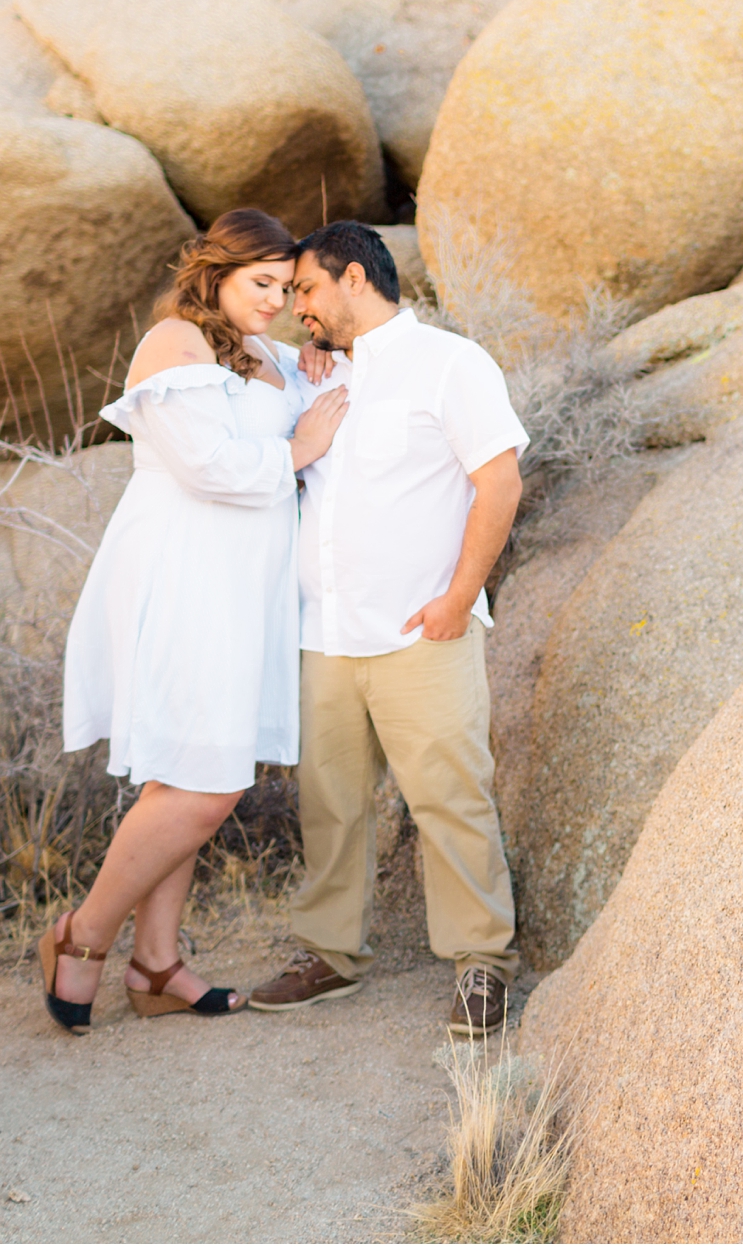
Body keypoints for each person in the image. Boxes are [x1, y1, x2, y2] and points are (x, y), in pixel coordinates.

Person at [44, 209, 348, 1034]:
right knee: (209, 785)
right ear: (216, 271)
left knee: (186, 768)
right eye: (263, 284)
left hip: (243, 584)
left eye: (289, 290)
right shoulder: (174, 343)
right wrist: (300, 448)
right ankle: (84, 934)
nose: (278, 302)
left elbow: (324, 385)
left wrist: (321, 358)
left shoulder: (273, 354)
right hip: (183, 573)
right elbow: (207, 463)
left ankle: (156, 963)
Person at [249, 221, 529, 1038]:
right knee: (330, 803)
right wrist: (307, 366)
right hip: (327, 633)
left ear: (353, 279)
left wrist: (457, 597)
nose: (297, 307)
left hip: (421, 631)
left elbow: (498, 482)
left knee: (449, 796)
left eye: (305, 289)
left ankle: (483, 962)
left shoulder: (451, 362)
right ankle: (330, 954)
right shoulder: (319, 374)